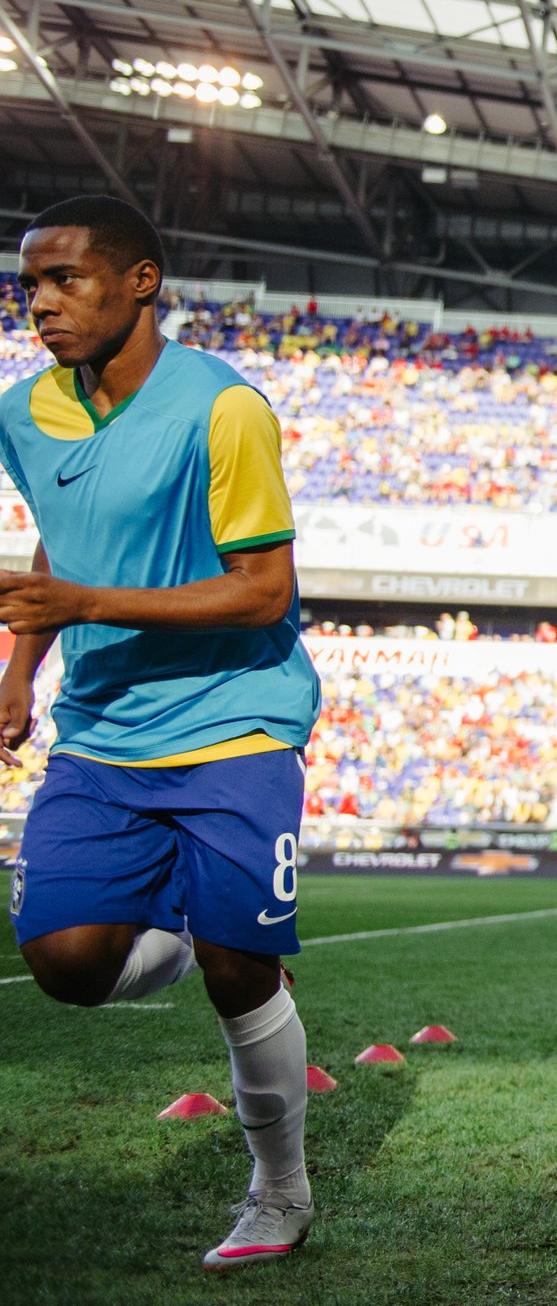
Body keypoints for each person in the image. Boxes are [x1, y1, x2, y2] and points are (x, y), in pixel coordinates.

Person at [0, 196, 325, 1272]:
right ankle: (173, 936)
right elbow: (59, 550)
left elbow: (262, 590)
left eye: (67, 279)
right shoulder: (22, 410)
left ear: (141, 282)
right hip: (100, 730)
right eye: (30, 283)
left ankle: (279, 1190)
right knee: (64, 961)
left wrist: (83, 607)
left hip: (235, 719)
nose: (42, 302)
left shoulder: (223, 409)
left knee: (245, 970)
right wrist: (19, 673)